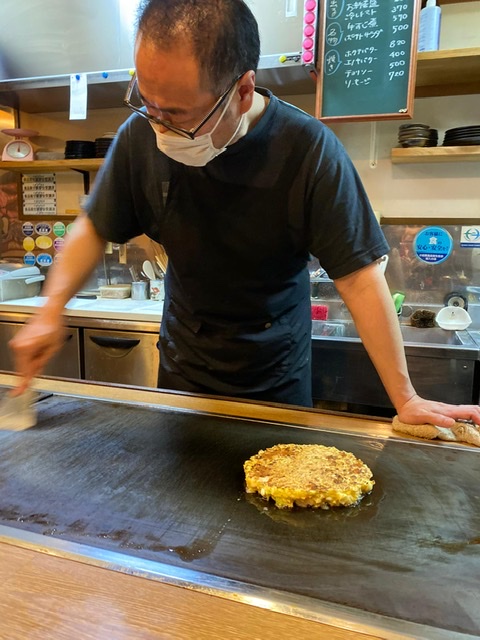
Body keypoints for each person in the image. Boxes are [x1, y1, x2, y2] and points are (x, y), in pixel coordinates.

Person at [10, 0, 480, 427]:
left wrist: (405, 398)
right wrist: (50, 310)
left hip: (275, 374)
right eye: (147, 103)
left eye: (177, 115)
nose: (159, 126)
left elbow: (359, 277)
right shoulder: (140, 135)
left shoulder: (309, 150)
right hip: (183, 368)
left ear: (242, 90)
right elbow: (95, 226)